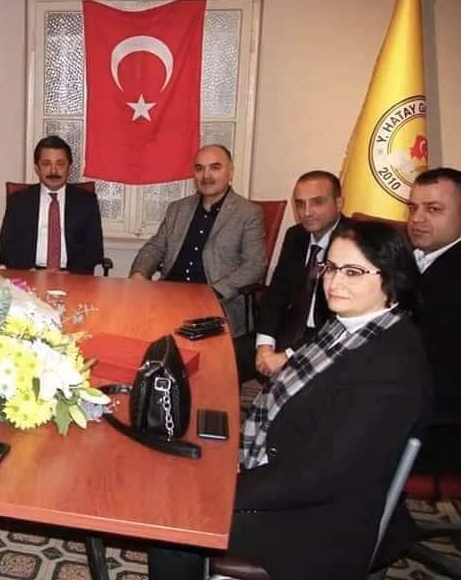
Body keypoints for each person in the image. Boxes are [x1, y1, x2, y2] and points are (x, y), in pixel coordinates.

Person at [148, 220, 432, 580]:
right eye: (331, 267)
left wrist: (226, 487)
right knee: (187, 463)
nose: (334, 282)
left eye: (353, 271)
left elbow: (318, 476)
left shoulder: (389, 368)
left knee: (174, 522)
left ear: (392, 278)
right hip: (288, 472)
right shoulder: (350, 326)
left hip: (318, 522)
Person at [129, 144, 265, 337]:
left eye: (215, 167)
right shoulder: (178, 208)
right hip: (168, 296)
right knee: (129, 328)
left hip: (218, 304)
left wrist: (214, 292)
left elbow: (255, 265)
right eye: (199, 168)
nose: (206, 176)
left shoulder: (248, 213)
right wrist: (139, 274)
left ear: (231, 172)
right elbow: (155, 247)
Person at [254, 171, 346, 378]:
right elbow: (276, 293)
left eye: (317, 202)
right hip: (289, 331)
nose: (307, 212)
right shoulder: (296, 235)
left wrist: (288, 356)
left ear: (339, 203)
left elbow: (342, 320)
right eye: (300, 204)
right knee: (222, 360)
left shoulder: (355, 241)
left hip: (329, 341)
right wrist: (265, 346)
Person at [407, 167, 461, 474]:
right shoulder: (412, 257)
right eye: (413, 208)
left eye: (433, 209)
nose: (417, 218)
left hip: (436, 421)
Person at [0, 135, 104, 274]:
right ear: (37, 168)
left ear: (69, 168)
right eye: (46, 164)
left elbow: (94, 249)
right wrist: (30, 271)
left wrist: (70, 273)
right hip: (30, 274)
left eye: (60, 164)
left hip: (72, 275)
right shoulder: (19, 201)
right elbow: (6, 248)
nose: (53, 171)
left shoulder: (86, 201)